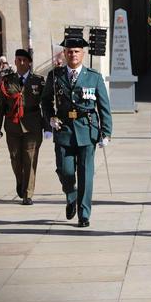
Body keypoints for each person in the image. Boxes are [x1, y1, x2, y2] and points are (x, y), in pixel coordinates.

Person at [41, 37, 113, 228]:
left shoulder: (93, 77)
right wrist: (50, 118)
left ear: (83, 54)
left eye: (76, 51)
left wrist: (106, 132)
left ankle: (84, 214)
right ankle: (70, 195)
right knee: (64, 171)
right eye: (69, 51)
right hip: (63, 129)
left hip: (86, 129)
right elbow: (45, 101)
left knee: (86, 174)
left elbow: (104, 106)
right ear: (64, 53)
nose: (73, 54)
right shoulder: (55, 76)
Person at [0, 49, 49, 205]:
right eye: (19, 60)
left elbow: (46, 105)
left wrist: (48, 126)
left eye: (24, 60)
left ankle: (28, 193)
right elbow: (0, 107)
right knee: (15, 158)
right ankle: (20, 181)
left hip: (33, 126)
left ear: (29, 62)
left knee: (30, 159)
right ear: (15, 62)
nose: (22, 62)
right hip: (13, 125)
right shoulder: (7, 81)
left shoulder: (39, 81)